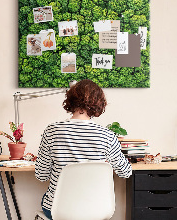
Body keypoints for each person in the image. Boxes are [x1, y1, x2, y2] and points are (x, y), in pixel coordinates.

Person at [35, 79, 132, 219]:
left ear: (70, 100)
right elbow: (125, 172)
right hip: (96, 211)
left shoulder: (52, 131)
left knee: (49, 199)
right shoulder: (107, 136)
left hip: (58, 212)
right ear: (98, 103)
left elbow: (41, 175)